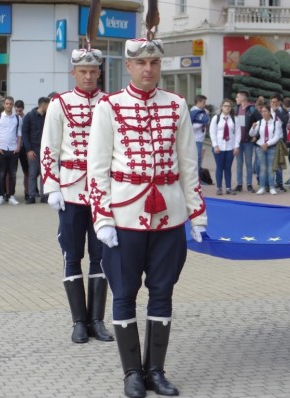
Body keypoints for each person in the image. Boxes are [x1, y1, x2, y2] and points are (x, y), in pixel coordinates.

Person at [87, 32, 208, 398]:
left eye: (154, 63)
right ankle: (131, 374)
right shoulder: (109, 106)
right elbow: (98, 169)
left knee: (162, 293)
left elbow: (189, 164)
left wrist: (197, 213)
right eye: (141, 62)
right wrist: (103, 219)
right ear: (128, 66)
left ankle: (155, 370)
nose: (148, 69)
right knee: (124, 295)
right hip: (125, 217)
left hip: (168, 217)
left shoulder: (176, 105)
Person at [41, 46, 113, 344]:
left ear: (99, 73)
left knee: (101, 257)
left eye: (92, 71)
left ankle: (97, 320)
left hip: (102, 193)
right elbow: (49, 147)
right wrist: (51, 186)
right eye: (82, 71)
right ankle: (78, 322)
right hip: (70, 189)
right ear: (73, 73)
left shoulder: (110, 103)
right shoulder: (60, 104)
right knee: (72, 256)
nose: (87, 76)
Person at [0, 96, 22, 205]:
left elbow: (19, 134)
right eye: (7, 103)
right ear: (4, 105)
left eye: (10, 104)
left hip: (13, 150)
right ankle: (1, 195)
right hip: (2, 149)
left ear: (13, 105)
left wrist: (18, 147)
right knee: (1, 174)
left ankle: (11, 196)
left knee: (13, 174)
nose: (9, 105)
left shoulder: (18, 118)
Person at [249, 104, 282, 195]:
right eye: (262, 111)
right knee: (262, 168)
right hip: (260, 148)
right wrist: (253, 127)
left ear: (269, 112)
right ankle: (262, 187)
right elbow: (251, 134)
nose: (263, 113)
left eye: (265, 111)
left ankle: (271, 187)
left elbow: (276, 137)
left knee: (271, 169)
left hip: (271, 148)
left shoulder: (276, 123)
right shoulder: (259, 122)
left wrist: (267, 144)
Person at [210, 99, 240, 195]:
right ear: (222, 107)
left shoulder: (234, 119)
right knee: (219, 167)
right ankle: (219, 187)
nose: (227, 108)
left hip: (230, 147)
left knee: (228, 168)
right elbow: (212, 132)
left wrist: (236, 146)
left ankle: (228, 187)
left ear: (231, 108)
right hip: (219, 147)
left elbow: (237, 133)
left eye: (229, 106)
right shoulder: (216, 118)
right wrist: (215, 145)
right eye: (225, 106)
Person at [22, 97, 50, 204]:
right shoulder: (29, 116)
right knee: (33, 173)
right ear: (42, 105)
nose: (49, 107)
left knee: (44, 173)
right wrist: (28, 150)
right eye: (48, 105)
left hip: (45, 149)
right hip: (33, 149)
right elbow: (25, 134)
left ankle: (44, 195)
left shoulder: (48, 116)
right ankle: (31, 195)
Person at [234, 89, 261, 193]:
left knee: (249, 164)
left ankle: (249, 184)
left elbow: (260, 122)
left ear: (243, 97)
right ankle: (239, 184)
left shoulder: (252, 109)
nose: (236, 98)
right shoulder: (236, 109)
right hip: (238, 142)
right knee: (239, 164)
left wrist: (257, 136)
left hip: (248, 142)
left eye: (238, 96)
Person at [270, 93, 289, 192]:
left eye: (275, 102)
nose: (273, 104)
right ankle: (270, 183)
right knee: (269, 163)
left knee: (279, 163)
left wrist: (276, 110)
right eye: (272, 102)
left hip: (279, 140)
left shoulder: (283, 111)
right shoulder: (267, 111)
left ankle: (279, 183)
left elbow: (285, 120)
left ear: (279, 102)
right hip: (269, 139)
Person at [190, 94, 209, 180]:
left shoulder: (203, 112)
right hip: (195, 139)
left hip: (200, 139)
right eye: (203, 102)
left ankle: (197, 178)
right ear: (198, 102)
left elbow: (206, 121)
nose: (205, 104)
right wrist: (201, 123)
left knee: (199, 159)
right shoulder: (193, 112)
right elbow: (191, 127)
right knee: (196, 160)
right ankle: (195, 179)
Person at [14, 99, 30, 201]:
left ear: (23, 109)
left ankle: (27, 192)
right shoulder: (12, 118)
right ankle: (9, 193)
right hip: (14, 147)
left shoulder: (26, 118)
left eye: (20, 111)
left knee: (26, 171)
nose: (18, 113)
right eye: (17, 111)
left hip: (24, 147)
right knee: (11, 172)